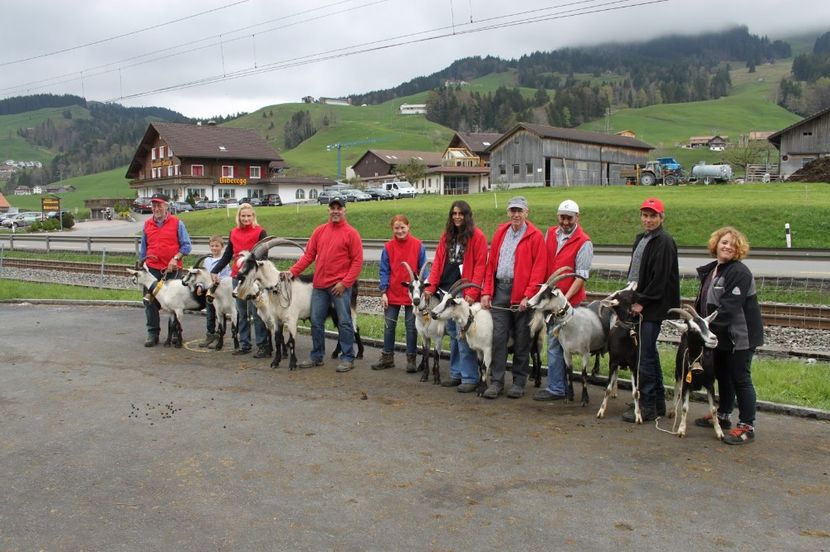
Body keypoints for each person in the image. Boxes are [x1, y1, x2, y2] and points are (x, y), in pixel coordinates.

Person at [693, 227, 764, 445]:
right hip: (720, 335)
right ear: (716, 244)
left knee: (741, 378)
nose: (727, 247)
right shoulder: (714, 269)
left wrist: (703, 326)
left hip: (739, 336)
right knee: (723, 374)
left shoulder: (739, 273)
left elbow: (729, 307)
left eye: (733, 244)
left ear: (738, 249)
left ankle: (746, 426)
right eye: (724, 242)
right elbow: (705, 302)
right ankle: (723, 415)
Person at [480, 196, 547, 399]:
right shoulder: (501, 232)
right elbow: (491, 264)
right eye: (513, 211)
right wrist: (486, 291)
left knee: (521, 339)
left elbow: (539, 269)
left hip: (522, 294)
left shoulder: (535, 236)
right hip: (501, 290)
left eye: (520, 211)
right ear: (508, 212)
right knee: (498, 337)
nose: (516, 215)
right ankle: (497, 382)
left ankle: (519, 381)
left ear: (527, 212)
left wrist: (528, 296)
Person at [290, 195, 363, 373]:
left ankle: (347, 357)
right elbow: (308, 256)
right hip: (320, 285)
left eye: (339, 208)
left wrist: (345, 283)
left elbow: (357, 262)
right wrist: (292, 272)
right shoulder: (319, 231)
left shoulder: (351, 233)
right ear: (328, 210)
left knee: (344, 321)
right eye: (333, 208)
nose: (335, 211)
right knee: (316, 321)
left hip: (339, 287)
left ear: (345, 210)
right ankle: (317, 356)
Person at [622, 197, 680, 422]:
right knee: (648, 352)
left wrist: (641, 302)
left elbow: (660, 279)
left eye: (652, 216)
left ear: (661, 217)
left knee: (644, 355)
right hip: (641, 301)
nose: (648, 220)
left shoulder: (664, 242)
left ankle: (646, 406)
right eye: (645, 215)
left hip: (653, 306)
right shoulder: (642, 239)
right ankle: (656, 402)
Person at [423, 200, 487, 393]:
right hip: (446, 291)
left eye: (460, 214)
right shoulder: (447, 236)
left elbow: (480, 266)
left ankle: (469, 377)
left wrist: (472, 293)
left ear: (467, 216)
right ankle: (456, 373)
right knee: (452, 334)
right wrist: (430, 286)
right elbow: (438, 263)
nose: (457, 217)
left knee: (463, 335)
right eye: (454, 214)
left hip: (463, 295)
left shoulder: (477, 237)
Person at [534, 199, 594, 402]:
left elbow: (581, 276)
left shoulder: (584, 242)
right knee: (553, 341)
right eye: (562, 217)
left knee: (562, 342)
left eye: (569, 218)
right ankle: (557, 387)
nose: (565, 222)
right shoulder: (550, 234)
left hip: (569, 303)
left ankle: (559, 387)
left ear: (577, 217)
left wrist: (565, 301)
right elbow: (543, 261)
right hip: (552, 302)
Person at [210, 203, 270, 357]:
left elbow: (264, 257)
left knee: (256, 312)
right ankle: (245, 344)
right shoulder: (233, 233)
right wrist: (215, 269)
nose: (246, 218)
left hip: (254, 280)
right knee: (241, 312)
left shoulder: (260, 232)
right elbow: (228, 254)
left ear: (253, 216)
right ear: (239, 217)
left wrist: (252, 270)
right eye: (243, 216)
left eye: (249, 216)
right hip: (238, 278)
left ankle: (263, 345)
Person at [371, 215, 428, 373]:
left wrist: (424, 291)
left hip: (413, 295)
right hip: (392, 292)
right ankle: (387, 357)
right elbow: (384, 270)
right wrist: (383, 291)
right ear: (392, 229)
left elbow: (424, 270)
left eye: (402, 227)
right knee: (389, 326)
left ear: (408, 226)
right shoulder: (388, 247)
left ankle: (411, 359)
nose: (400, 230)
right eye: (396, 228)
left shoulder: (418, 246)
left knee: (411, 327)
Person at [138, 193, 193, 347]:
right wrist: (142, 265)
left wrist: (176, 257)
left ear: (166, 206)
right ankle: (152, 333)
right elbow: (143, 249)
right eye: (154, 205)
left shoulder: (177, 223)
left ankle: (175, 333)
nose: (156, 208)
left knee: (174, 303)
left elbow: (187, 246)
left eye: (159, 205)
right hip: (152, 270)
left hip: (172, 270)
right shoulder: (147, 225)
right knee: (149, 301)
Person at [197, 235, 231, 349]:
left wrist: (221, 282)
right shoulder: (207, 261)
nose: (214, 248)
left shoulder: (225, 261)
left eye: (217, 246)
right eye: (212, 246)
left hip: (221, 293)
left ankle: (219, 334)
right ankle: (210, 334)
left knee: (220, 314)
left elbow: (227, 276)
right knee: (210, 313)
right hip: (209, 292)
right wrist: (200, 286)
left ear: (222, 247)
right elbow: (202, 276)